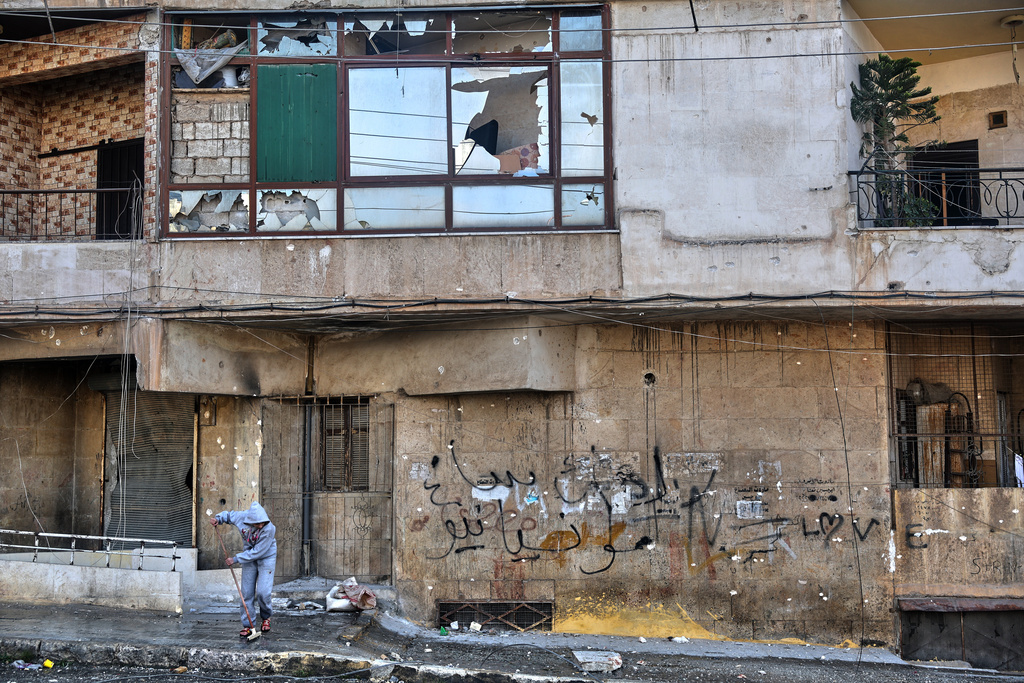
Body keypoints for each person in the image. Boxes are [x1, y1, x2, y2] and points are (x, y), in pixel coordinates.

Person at [211, 501, 277, 637]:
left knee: (263, 592)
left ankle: (266, 617)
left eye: (262, 523)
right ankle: (248, 625)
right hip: (248, 554)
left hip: (266, 555)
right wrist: (218, 518)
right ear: (250, 520)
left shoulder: (269, 528)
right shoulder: (242, 517)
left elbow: (258, 552)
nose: (260, 526)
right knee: (246, 592)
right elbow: (229, 516)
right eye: (257, 524)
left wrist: (235, 559)